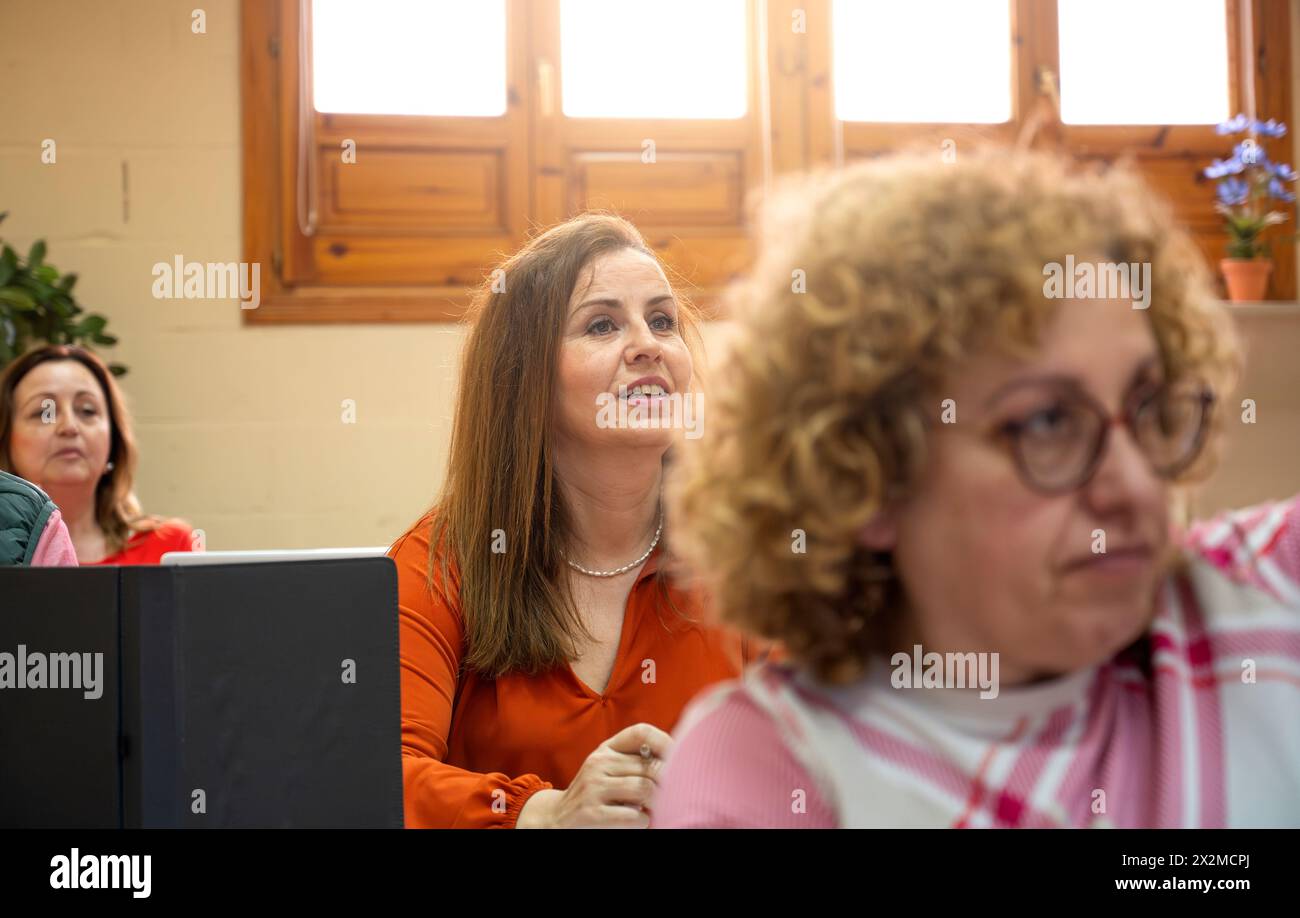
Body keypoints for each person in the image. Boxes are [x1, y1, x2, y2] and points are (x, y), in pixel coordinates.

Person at [653, 149, 1300, 828]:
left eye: (1146, 405)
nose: (1137, 484)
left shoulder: (1266, 592)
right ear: (868, 477)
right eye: (1046, 422)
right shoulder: (778, 770)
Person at [389, 213, 768, 828]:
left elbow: (826, 764)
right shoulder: (433, 565)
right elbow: (376, 776)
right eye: (602, 324)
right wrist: (542, 813)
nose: (648, 343)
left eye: (663, 320)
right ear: (526, 382)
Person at [0, 345, 192, 565]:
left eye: (87, 410)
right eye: (45, 413)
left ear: (114, 439)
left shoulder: (171, 547)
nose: (69, 426)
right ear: (6, 441)